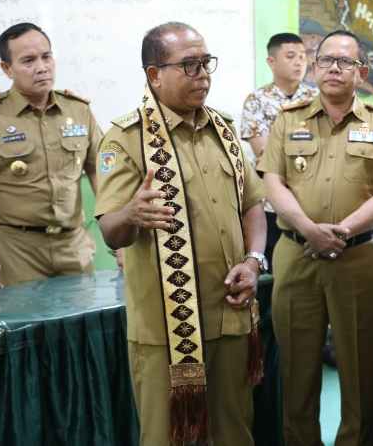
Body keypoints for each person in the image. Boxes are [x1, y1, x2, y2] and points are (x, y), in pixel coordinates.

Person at [94, 22, 267, 446]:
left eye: (206, 63)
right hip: (167, 328)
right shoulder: (126, 138)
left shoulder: (224, 132)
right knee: (166, 437)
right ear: (154, 75)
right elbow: (111, 233)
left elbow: (252, 206)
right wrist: (131, 212)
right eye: (189, 66)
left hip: (230, 315)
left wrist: (253, 260)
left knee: (235, 432)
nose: (203, 75)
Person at [259, 29, 373, 446]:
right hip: (296, 254)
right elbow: (273, 180)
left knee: (359, 373)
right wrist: (308, 228)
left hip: (357, 260)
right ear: (314, 67)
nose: (334, 68)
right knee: (297, 371)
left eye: (345, 62)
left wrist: (343, 230)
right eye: (326, 61)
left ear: (361, 72)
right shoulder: (289, 119)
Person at [0, 22, 102, 295]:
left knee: (78, 331)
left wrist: (119, 240)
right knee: (27, 333)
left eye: (46, 56)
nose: (42, 67)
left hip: (73, 245)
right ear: (7, 69)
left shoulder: (79, 111)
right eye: (28, 60)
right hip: (16, 250)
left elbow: (100, 173)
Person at [240, 33, 317, 272]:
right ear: (271, 62)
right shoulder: (257, 100)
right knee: (277, 273)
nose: (299, 62)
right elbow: (263, 152)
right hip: (271, 204)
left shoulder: (317, 99)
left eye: (303, 57)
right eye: (291, 56)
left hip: (312, 200)